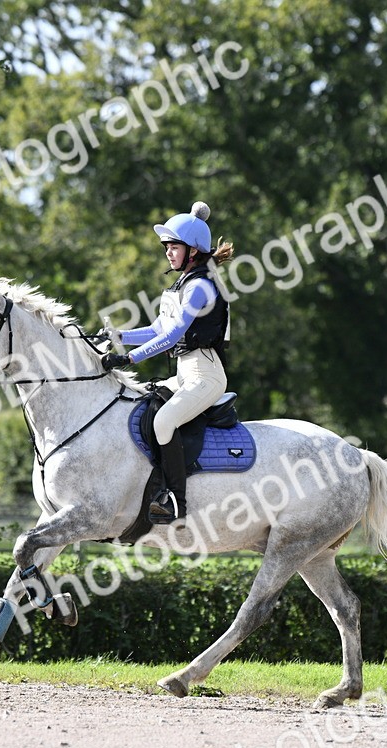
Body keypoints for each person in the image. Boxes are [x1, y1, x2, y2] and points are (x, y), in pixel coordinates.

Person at [100, 201, 234, 524]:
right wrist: (116, 336)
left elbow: (172, 336)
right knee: (142, 405)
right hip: (185, 374)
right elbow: (157, 329)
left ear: (193, 250)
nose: (168, 253)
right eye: (166, 247)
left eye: (173, 246)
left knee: (163, 422)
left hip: (206, 375)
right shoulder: (180, 287)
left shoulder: (201, 287)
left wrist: (129, 358)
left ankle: (176, 500)